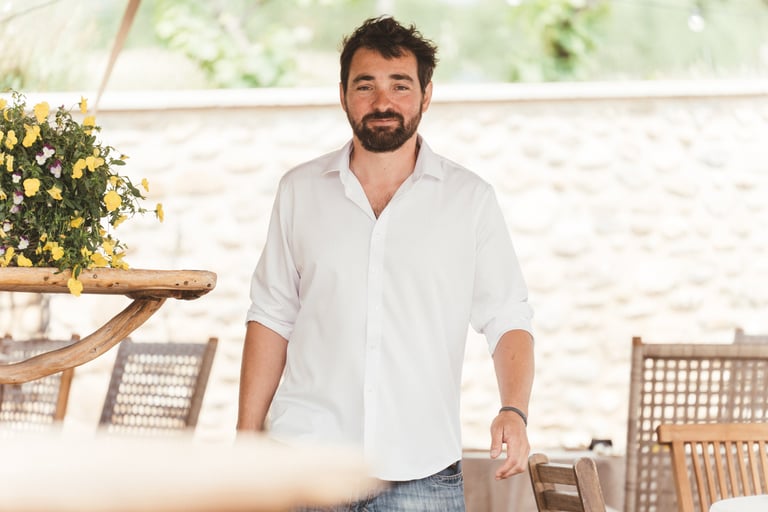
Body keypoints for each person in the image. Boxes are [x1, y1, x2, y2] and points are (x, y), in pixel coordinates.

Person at [237, 15, 534, 512]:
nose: (382, 102)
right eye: (365, 85)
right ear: (342, 95)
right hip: (304, 463)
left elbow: (508, 317)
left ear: (426, 94)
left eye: (400, 85)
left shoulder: (470, 200)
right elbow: (271, 316)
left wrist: (514, 410)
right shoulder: (299, 192)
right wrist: (246, 440)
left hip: (422, 472)